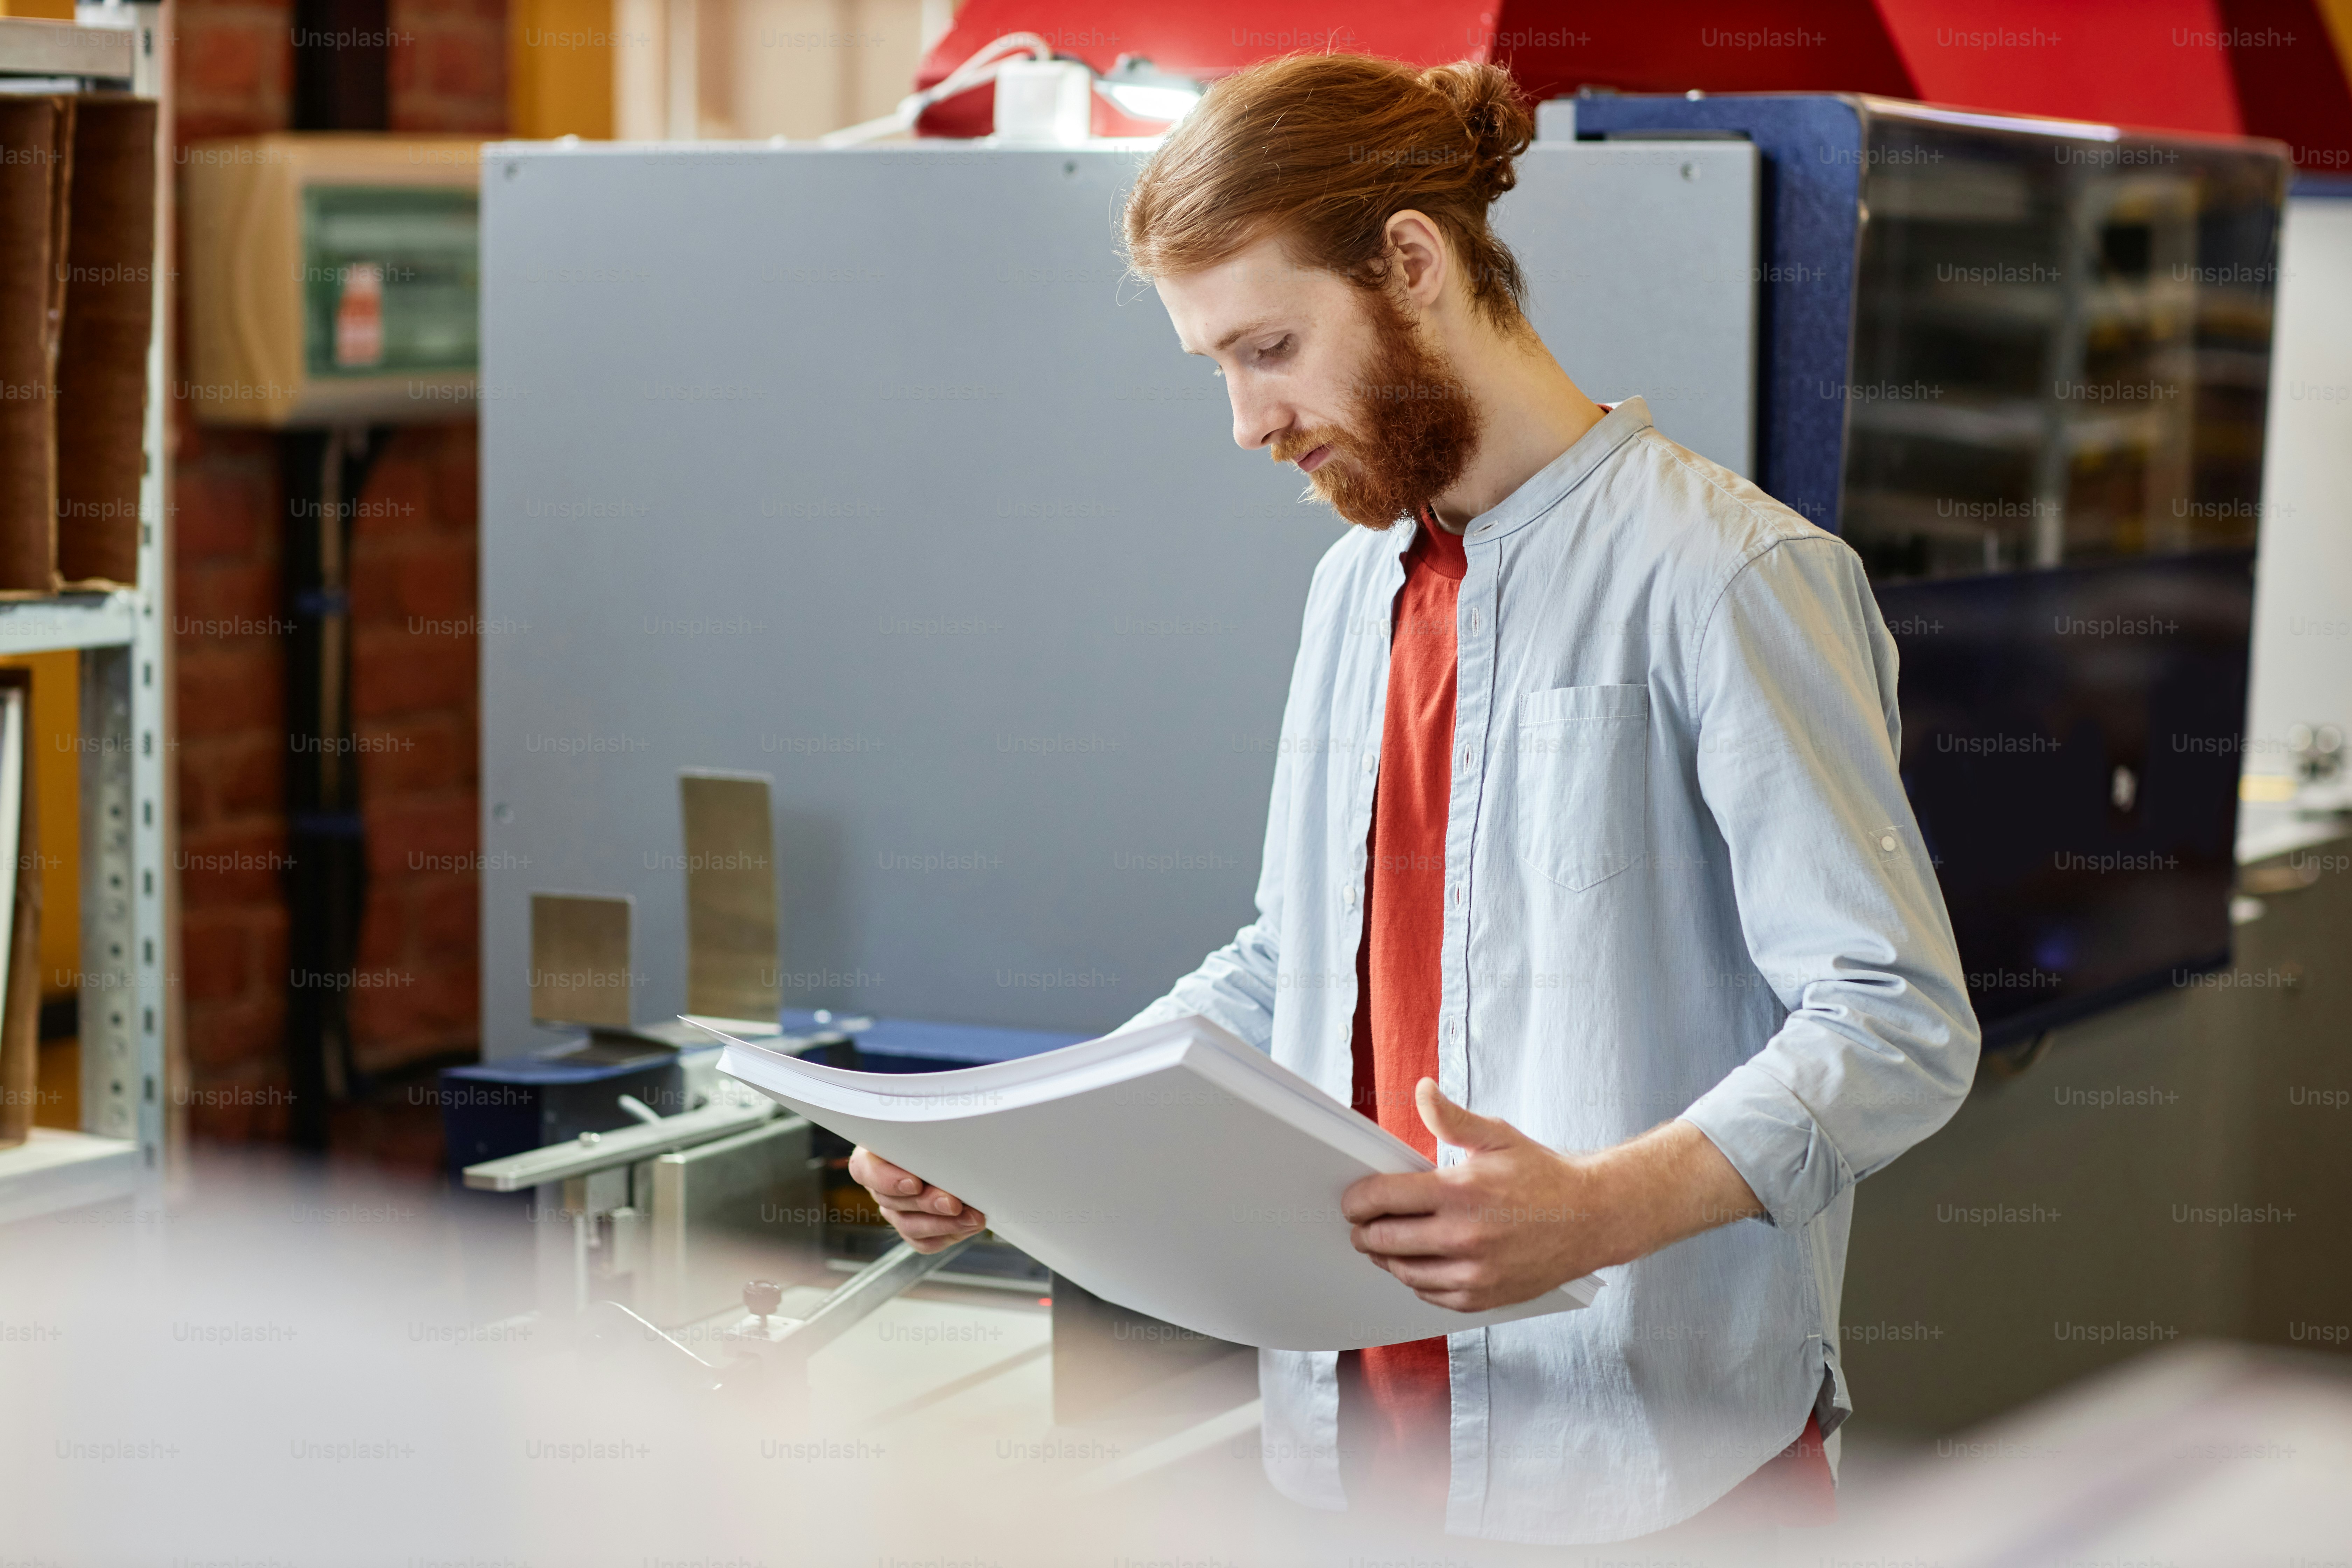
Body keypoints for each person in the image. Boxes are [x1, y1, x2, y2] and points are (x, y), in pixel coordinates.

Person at [849, 52, 1980, 1547]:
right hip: (1355, 1464)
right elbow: (1287, 969)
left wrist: (1601, 1206)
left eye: (1270, 348)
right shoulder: (1352, 591)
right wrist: (1013, 1144)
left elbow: (1894, 1021)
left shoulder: (1727, 575)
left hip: (1657, 1482)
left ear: (1411, 261)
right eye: (1220, 368)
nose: (1250, 423)